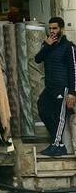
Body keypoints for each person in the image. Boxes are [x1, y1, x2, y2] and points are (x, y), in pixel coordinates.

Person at [34, 16, 76, 158]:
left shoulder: (69, 47)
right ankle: (58, 143)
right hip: (50, 87)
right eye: (50, 28)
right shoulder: (47, 44)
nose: (52, 31)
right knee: (42, 108)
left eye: (55, 28)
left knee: (60, 117)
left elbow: (74, 70)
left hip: (62, 87)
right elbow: (37, 59)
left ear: (61, 29)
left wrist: (72, 92)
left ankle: (57, 145)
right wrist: (46, 45)